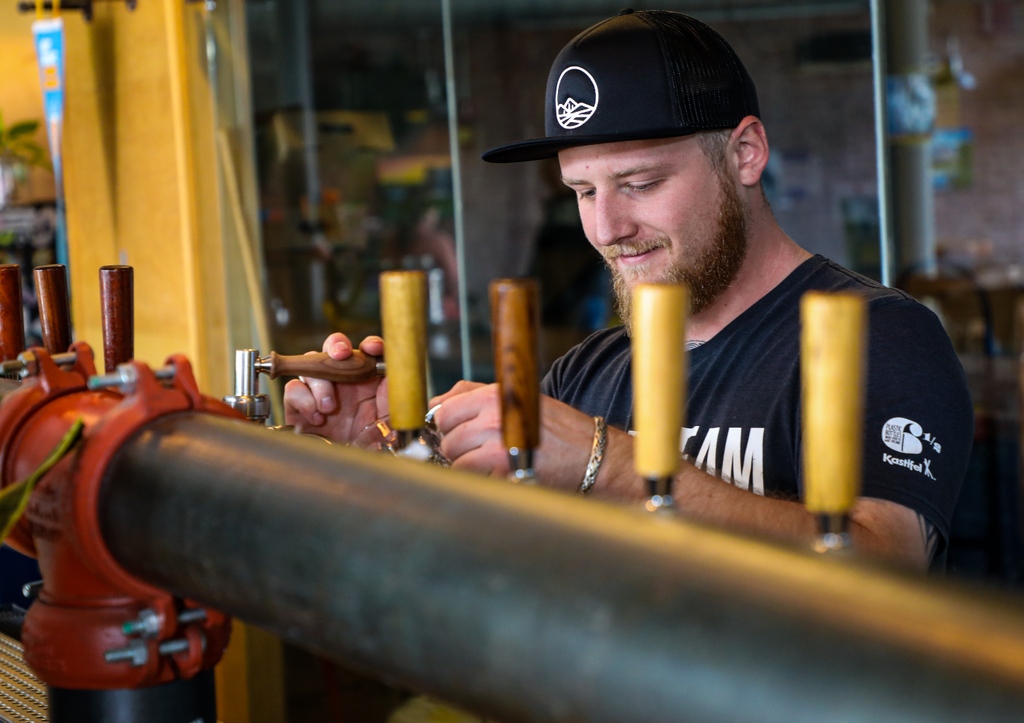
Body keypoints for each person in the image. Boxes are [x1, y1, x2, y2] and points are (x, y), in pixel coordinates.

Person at [284, 9, 973, 571]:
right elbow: (482, 569)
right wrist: (386, 453)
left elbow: (886, 566)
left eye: (640, 184)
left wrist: (608, 462)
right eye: (582, 191)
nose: (607, 227)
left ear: (745, 153)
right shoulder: (587, 372)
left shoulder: (879, 336)